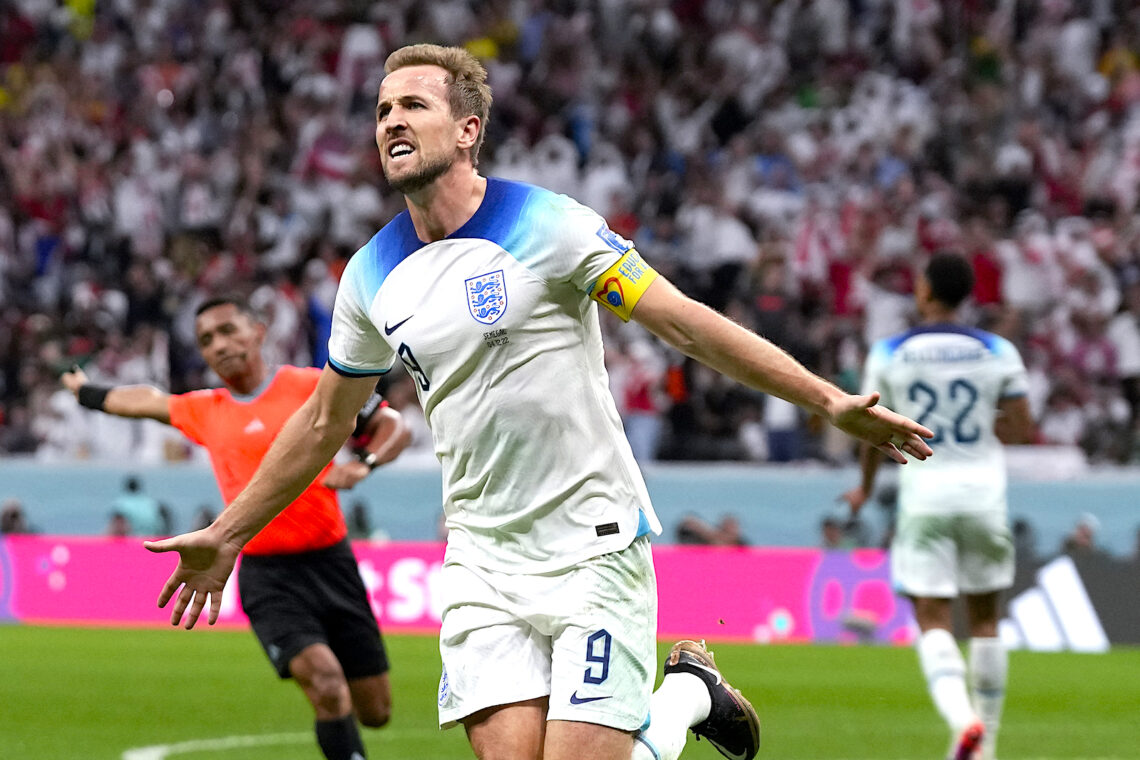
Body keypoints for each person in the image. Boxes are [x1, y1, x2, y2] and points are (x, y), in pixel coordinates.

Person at [143, 45, 933, 760]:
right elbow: (324, 421)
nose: (391, 121)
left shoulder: (548, 224)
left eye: (413, 105)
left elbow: (682, 324)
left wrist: (827, 401)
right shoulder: (370, 275)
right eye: (382, 110)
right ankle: (692, 693)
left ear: (467, 130)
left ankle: (687, 694)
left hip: (590, 542)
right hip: (481, 558)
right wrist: (228, 532)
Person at [61, 296, 411, 760]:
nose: (219, 345)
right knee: (326, 683)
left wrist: (362, 463)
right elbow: (147, 401)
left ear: (258, 332)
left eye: (228, 330)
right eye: (206, 340)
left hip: (333, 563)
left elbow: (394, 425)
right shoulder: (207, 408)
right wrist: (87, 392)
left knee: (376, 710)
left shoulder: (311, 386)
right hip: (267, 576)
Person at [842, 252, 1034, 760]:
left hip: (925, 496)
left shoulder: (890, 352)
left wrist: (863, 489)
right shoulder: (999, 350)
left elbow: (869, 429)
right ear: (968, 294)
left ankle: (961, 719)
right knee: (987, 618)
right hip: (984, 495)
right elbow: (1019, 426)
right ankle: (985, 742)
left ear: (925, 292)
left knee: (932, 616)